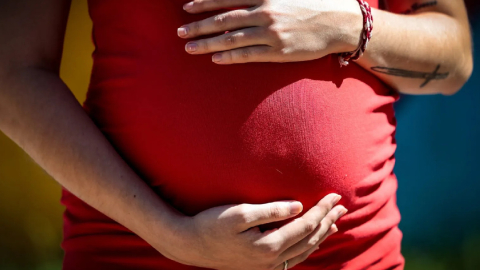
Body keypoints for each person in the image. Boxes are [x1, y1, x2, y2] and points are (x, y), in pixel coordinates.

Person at [0, 0, 472, 269]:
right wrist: (172, 236)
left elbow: (453, 61)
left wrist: (345, 25)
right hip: (134, 252)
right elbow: (12, 73)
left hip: (351, 254)